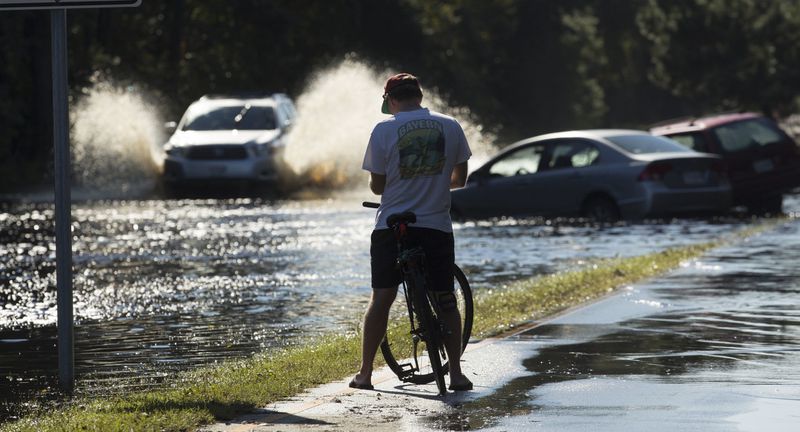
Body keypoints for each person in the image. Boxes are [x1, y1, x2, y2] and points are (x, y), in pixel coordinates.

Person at [350, 73, 473, 392]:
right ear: (420, 96)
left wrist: (403, 183)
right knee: (445, 298)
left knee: (382, 298)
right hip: (435, 226)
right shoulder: (451, 125)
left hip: (392, 226)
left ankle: (364, 374)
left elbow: (378, 186)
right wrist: (430, 182)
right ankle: (456, 374)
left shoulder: (383, 129)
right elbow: (460, 179)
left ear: (391, 101)